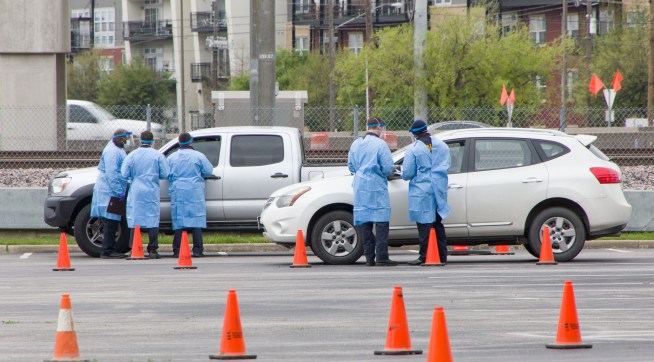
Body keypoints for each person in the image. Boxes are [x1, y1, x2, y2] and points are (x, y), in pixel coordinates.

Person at [348, 117, 397, 266]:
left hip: (361, 186)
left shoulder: (356, 144)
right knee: (381, 222)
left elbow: (351, 166)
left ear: (367, 127)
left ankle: (369, 258)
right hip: (376, 186)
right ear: (380, 128)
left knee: (365, 223)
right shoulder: (381, 145)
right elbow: (388, 167)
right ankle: (382, 256)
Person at [120, 130, 169, 259]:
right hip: (151, 190)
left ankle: (134, 247)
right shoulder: (157, 156)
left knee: (135, 218)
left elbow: (124, 173)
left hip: (136, 190)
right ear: (152, 142)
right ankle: (152, 250)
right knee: (152, 218)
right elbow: (165, 173)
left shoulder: (132, 155)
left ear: (140, 141)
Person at [167, 132, 214, 257]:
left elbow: (166, 173)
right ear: (191, 142)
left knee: (179, 220)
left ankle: (177, 250)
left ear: (179, 142)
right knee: (196, 220)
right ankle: (198, 250)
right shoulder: (199, 156)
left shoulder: (172, 157)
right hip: (194, 191)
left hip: (178, 191)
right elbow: (208, 171)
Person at [90, 129, 130, 259]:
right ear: (119, 138)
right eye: (125, 138)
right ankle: (107, 251)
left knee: (112, 221)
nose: (127, 141)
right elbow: (112, 174)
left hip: (112, 190)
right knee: (110, 221)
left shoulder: (117, 148)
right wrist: (119, 191)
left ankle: (110, 249)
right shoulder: (112, 152)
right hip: (109, 190)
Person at [401, 120, 437, 265]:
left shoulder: (414, 149)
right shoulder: (439, 144)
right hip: (437, 186)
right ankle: (439, 254)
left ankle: (424, 256)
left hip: (421, 190)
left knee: (423, 226)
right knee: (436, 225)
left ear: (415, 133)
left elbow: (407, 173)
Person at [430, 129, 452, 263]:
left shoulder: (420, 147)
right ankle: (442, 256)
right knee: (437, 222)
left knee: (433, 224)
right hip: (440, 187)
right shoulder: (443, 146)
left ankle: (435, 255)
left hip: (431, 188)